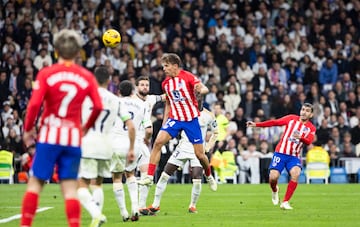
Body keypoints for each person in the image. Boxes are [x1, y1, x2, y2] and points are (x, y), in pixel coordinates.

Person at [20, 29, 103, 227]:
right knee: (70, 189)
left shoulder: (47, 73)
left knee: (35, 185)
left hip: (49, 136)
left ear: (55, 50)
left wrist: (28, 129)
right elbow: (98, 106)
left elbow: (33, 105)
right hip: (73, 138)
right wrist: (85, 128)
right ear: (77, 53)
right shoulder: (86, 76)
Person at [139, 53, 217, 191]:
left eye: (166, 66)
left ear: (175, 66)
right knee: (157, 142)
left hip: (191, 120)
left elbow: (204, 88)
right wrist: (164, 123)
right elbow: (168, 104)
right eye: (163, 66)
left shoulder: (187, 76)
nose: (164, 69)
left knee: (200, 155)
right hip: (175, 119)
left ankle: (209, 175)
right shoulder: (166, 83)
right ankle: (149, 177)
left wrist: (201, 91)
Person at [77, 66, 134, 227]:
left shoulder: (86, 97)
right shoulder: (115, 99)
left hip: (88, 143)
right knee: (98, 183)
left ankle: (96, 214)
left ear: (93, 80)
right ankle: (96, 221)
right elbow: (131, 125)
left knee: (81, 184)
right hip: (107, 146)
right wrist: (130, 148)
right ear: (109, 81)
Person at [147, 97, 218, 214]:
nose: (196, 101)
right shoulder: (185, 113)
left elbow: (216, 133)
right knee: (165, 174)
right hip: (183, 148)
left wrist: (207, 147)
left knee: (196, 178)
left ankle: (192, 206)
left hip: (198, 149)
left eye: (198, 99)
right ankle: (155, 204)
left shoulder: (209, 115)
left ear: (202, 100)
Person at [246, 103, 316, 210]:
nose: (303, 112)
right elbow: (275, 122)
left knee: (296, 174)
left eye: (307, 111)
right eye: (302, 109)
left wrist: (301, 137)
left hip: (294, 156)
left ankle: (285, 202)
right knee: (273, 178)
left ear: (311, 115)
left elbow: (309, 141)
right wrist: (256, 124)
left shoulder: (311, 128)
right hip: (280, 153)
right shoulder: (291, 119)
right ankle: (275, 190)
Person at [110, 80, 149, 222]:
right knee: (131, 174)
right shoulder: (142, 105)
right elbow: (147, 127)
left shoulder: (115, 103)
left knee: (117, 177)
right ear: (133, 91)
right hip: (134, 143)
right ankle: (135, 207)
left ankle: (124, 212)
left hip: (117, 142)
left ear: (119, 92)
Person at [134, 76, 166, 215]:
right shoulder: (131, 101)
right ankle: (133, 207)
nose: (145, 87)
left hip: (142, 143)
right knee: (125, 175)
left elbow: (165, 97)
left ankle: (140, 207)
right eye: (142, 85)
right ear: (136, 87)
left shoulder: (151, 99)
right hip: (130, 141)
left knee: (146, 174)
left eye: (147, 85)